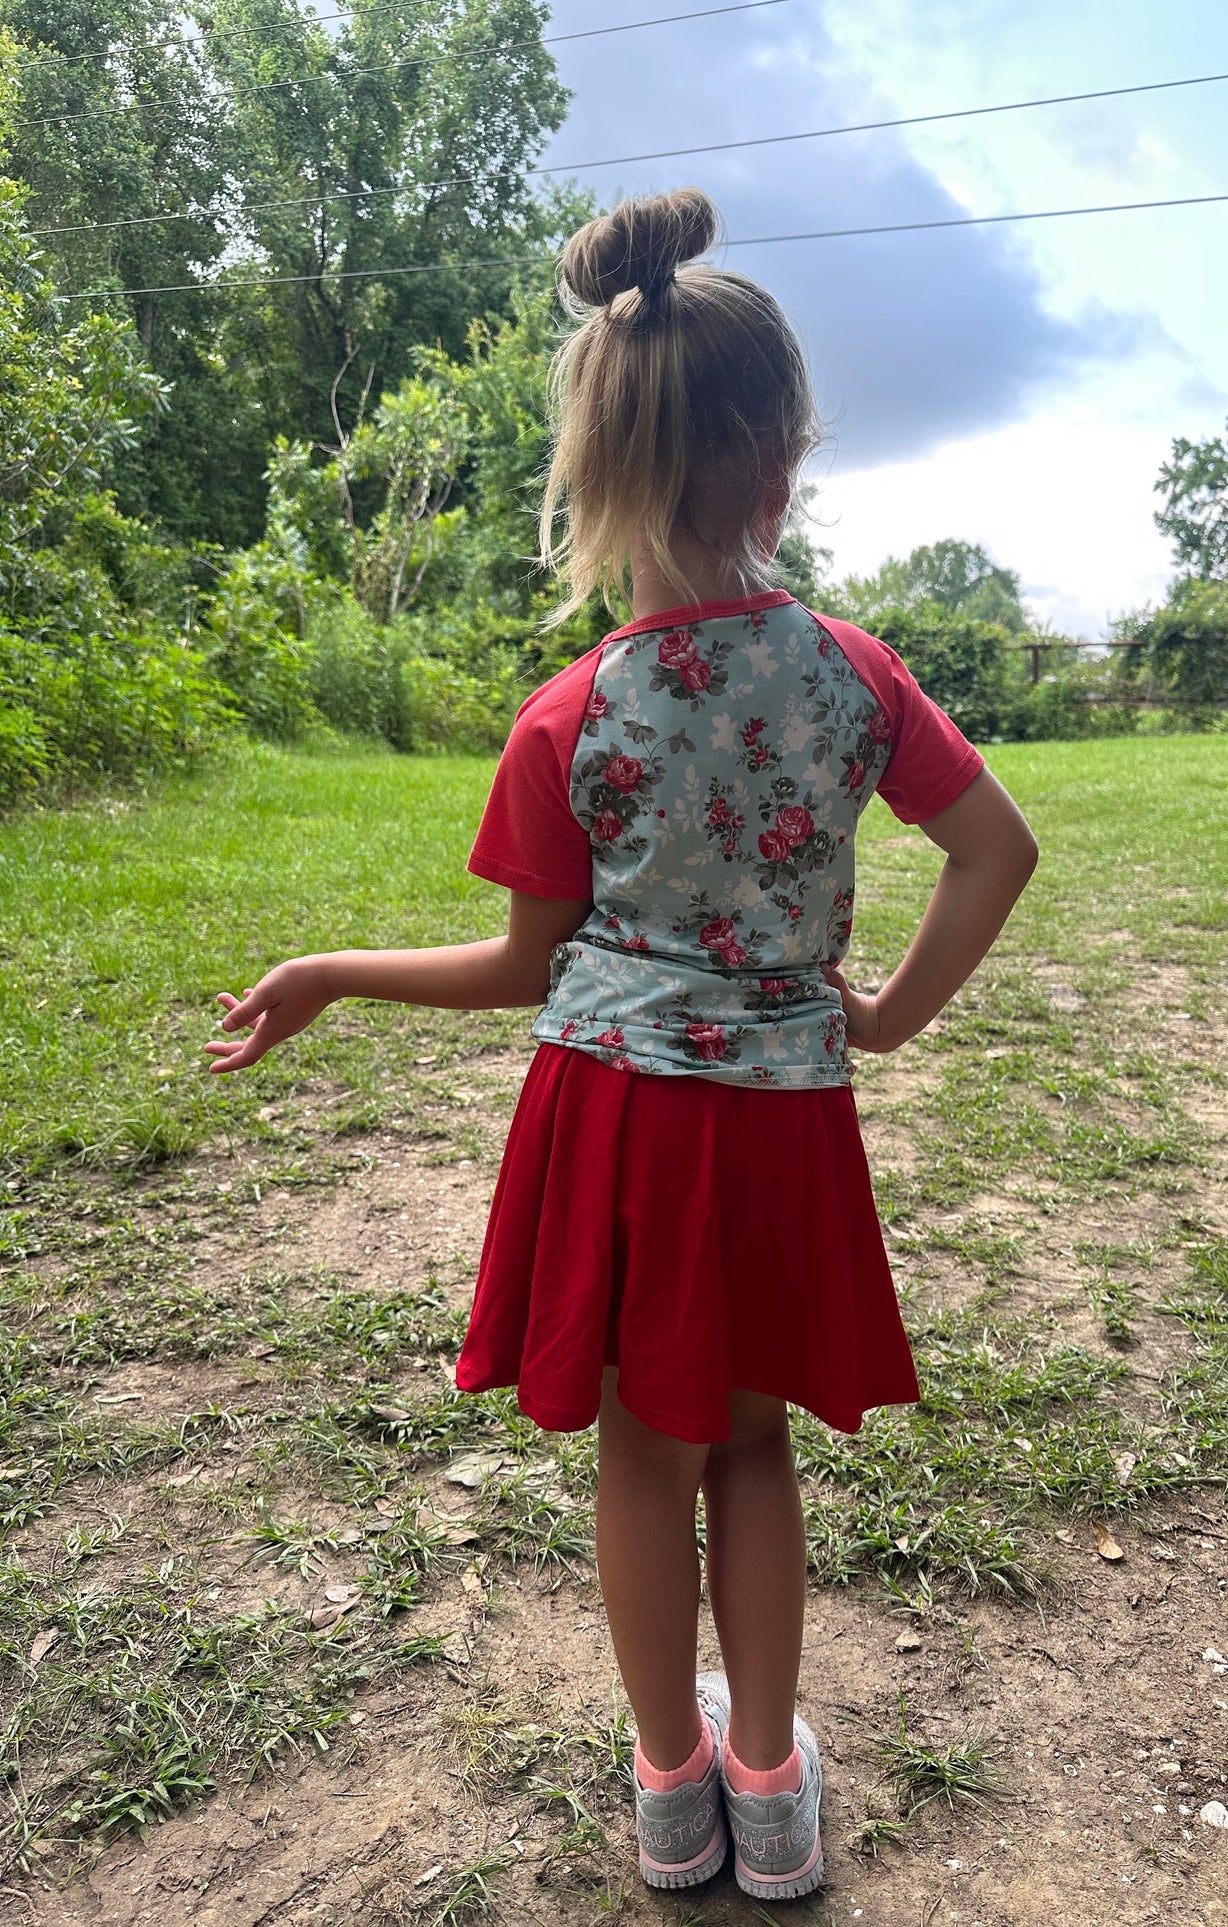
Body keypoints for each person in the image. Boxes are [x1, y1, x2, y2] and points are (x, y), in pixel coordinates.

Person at [205, 186, 1038, 1901]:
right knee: (749, 1444)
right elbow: (994, 852)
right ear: (780, 460)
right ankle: (770, 1792)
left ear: (595, 470)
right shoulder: (855, 680)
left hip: (618, 1130)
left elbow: (523, 968)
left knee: (641, 1457)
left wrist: (332, 970)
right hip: (783, 1122)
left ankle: (671, 1795)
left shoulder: (568, 716)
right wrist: (880, 1014)